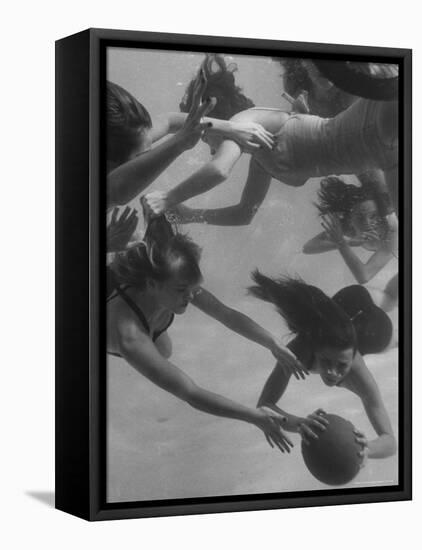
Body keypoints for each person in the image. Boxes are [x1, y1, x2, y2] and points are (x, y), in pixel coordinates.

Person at [106, 214, 306, 452]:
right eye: (182, 291)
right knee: (161, 351)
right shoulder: (130, 336)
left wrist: (272, 343)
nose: (191, 297)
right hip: (102, 315)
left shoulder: (175, 281)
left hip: (143, 302)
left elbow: (226, 314)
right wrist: (252, 416)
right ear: (152, 284)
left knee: (164, 350)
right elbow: (190, 392)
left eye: (193, 289)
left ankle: (116, 247)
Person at [144, 54, 398, 224]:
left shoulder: (246, 120)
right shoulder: (261, 159)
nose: (209, 149)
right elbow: (245, 213)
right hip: (387, 158)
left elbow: (219, 170)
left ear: (213, 118)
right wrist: (192, 216)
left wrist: (169, 198)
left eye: (204, 139)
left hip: (374, 124)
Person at [248, 270, 396, 459]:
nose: (333, 373)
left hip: (373, 326)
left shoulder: (360, 374)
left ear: (353, 357)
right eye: (326, 361)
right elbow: (265, 404)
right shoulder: (297, 351)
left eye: (342, 365)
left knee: (391, 314)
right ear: (314, 348)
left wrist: (368, 449)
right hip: (349, 299)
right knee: (379, 300)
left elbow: (390, 442)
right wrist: (299, 424)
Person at [106, 76, 274, 209]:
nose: (151, 154)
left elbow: (169, 121)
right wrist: (180, 143)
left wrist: (230, 127)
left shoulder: (128, 137)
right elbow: (117, 190)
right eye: (141, 157)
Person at [303, 171, 398, 311]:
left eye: (374, 216)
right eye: (360, 218)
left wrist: (341, 243)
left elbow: (364, 276)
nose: (368, 224)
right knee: (390, 300)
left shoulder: (392, 229)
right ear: (350, 221)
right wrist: (349, 242)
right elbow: (308, 247)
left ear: (382, 214)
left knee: (391, 299)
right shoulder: (350, 228)